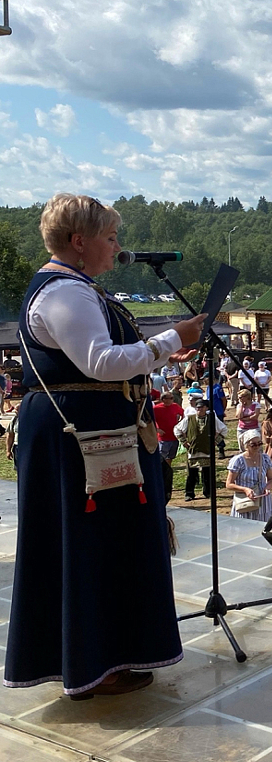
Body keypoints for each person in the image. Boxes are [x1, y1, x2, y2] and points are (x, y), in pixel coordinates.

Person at [6, 193, 205, 700]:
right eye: (110, 237)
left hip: (90, 435)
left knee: (99, 545)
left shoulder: (75, 288)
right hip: (81, 440)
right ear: (79, 241)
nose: (118, 247)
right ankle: (93, 661)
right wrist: (171, 341)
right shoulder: (65, 293)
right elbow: (101, 362)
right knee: (89, 545)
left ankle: (100, 655)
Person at [175, 396, 227, 501]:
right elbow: (177, 429)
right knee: (191, 474)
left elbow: (224, 429)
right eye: (198, 408)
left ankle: (208, 492)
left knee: (207, 473)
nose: (200, 409)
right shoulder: (189, 418)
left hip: (207, 450)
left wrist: (215, 442)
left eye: (202, 407)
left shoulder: (212, 418)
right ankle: (189, 493)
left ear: (206, 408)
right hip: (193, 450)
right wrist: (184, 442)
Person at [226, 429, 272, 521]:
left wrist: (267, 487)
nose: (257, 447)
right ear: (246, 445)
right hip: (245, 501)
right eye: (253, 444)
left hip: (263, 501)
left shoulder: (265, 458)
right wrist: (245, 489)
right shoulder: (238, 461)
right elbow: (229, 484)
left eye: (259, 443)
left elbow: (271, 479)